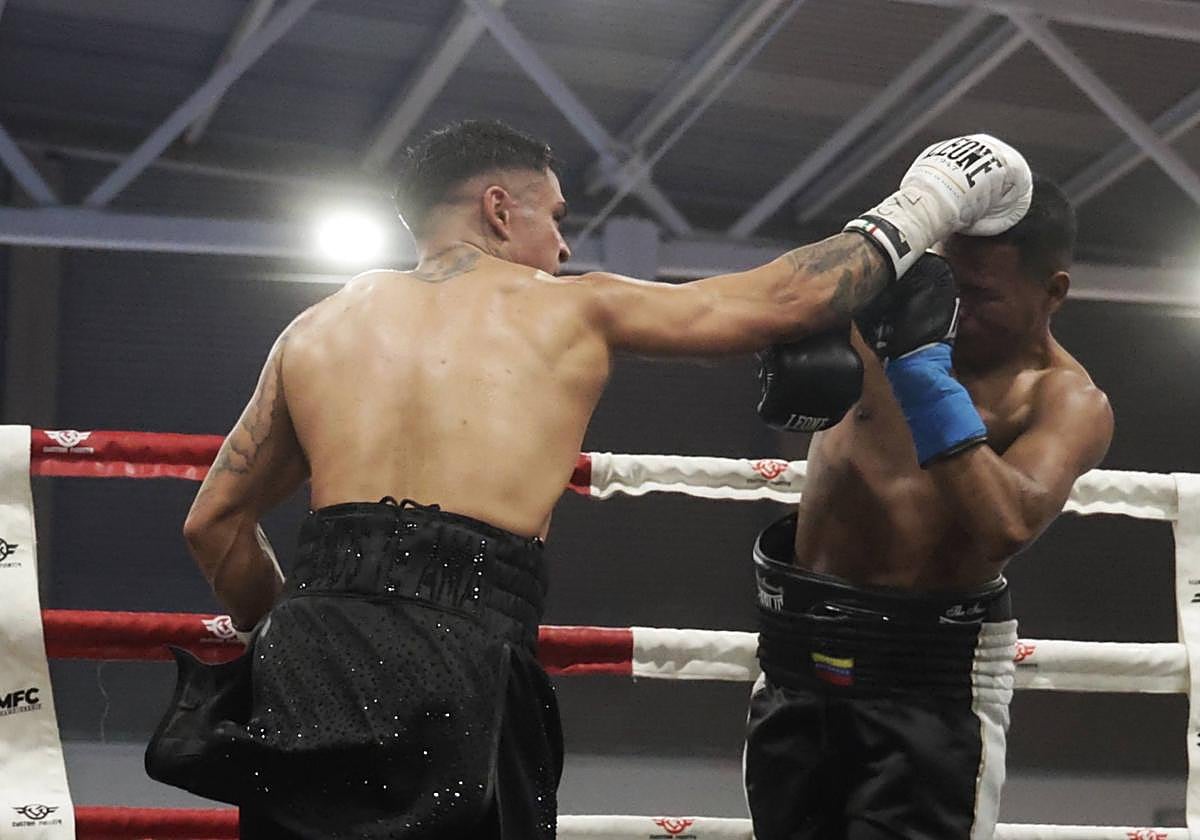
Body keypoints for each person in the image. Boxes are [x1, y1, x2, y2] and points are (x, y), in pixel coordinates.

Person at [143, 120, 1031, 839]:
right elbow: (784, 301)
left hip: (308, 654)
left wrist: (296, 643)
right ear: (499, 208)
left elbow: (212, 527)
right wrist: (930, 199)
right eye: (555, 216)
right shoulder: (571, 306)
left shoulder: (314, 329)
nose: (564, 246)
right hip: (459, 652)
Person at [744, 175, 1114, 840]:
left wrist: (923, 380)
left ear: (1052, 291)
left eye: (981, 295)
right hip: (796, 655)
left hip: (928, 683)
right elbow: (768, 302)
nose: (954, 309)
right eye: (947, 281)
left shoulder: (1063, 400)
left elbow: (1008, 524)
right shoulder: (878, 318)